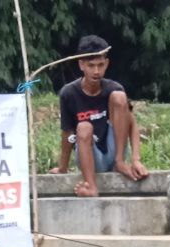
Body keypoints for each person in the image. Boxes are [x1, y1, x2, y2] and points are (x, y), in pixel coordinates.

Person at [48, 35, 149, 197]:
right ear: (81, 65)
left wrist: (136, 159)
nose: (96, 71)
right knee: (83, 126)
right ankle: (92, 186)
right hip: (89, 156)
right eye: (91, 65)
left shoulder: (114, 88)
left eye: (100, 65)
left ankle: (119, 162)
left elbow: (132, 123)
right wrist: (62, 167)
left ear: (107, 64)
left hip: (114, 150)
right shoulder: (68, 93)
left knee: (119, 97)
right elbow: (67, 133)